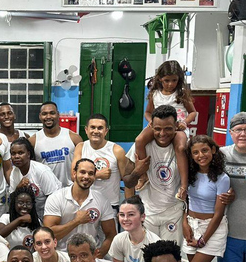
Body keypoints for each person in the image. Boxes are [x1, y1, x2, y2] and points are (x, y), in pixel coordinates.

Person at [123, 105, 185, 245]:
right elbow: (127, 181)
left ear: (176, 126)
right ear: (151, 126)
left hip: (174, 211)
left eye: (168, 128)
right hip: (148, 212)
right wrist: (138, 172)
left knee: (171, 257)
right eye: (157, 129)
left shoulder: (182, 146)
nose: (162, 133)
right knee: (147, 259)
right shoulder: (141, 146)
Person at [132, 61, 195, 199]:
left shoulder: (181, 94)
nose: (170, 84)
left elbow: (193, 113)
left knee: (181, 147)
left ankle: (184, 185)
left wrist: (185, 122)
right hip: (159, 126)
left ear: (179, 79)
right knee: (139, 140)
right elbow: (148, 112)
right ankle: (143, 176)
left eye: (174, 80)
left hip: (177, 127)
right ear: (159, 79)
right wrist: (151, 122)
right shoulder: (155, 94)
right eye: (166, 80)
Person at [43, 158, 116, 256]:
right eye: (82, 172)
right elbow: (48, 235)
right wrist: (76, 221)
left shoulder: (102, 200)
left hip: (91, 255)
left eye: (90, 174)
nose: (86, 176)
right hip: (63, 255)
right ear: (74, 174)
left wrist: (100, 254)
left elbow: (111, 235)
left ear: (94, 177)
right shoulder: (56, 198)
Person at [183, 135, 230, 262]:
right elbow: (184, 202)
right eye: (195, 152)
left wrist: (203, 239)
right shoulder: (189, 174)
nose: (201, 155)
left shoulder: (222, 178)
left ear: (213, 150)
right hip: (191, 225)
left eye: (205, 150)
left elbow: (219, 214)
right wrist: (184, 224)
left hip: (212, 228)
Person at [73, 113, 127, 210]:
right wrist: (97, 175)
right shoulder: (80, 147)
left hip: (110, 204)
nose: (96, 131)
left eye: (100, 128)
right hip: (84, 204)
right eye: (92, 127)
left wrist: (128, 207)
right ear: (86, 130)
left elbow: (128, 180)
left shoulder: (117, 150)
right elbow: (73, 176)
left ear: (106, 131)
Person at [110, 196, 161, 262]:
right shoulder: (119, 239)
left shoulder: (154, 243)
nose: (125, 219)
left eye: (131, 214)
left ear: (142, 217)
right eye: (122, 215)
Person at [30, 101, 83, 187]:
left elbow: (83, 165)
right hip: (45, 191)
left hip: (70, 189)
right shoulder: (33, 141)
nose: (48, 117)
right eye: (44, 114)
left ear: (58, 115)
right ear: (40, 116)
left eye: (52, 113)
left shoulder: (74, 138)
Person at [9, 137, 62, 218]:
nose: (16, 156)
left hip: (51, 212)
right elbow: (12, 200)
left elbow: (53, 200)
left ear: (28, 154)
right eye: (13, 153)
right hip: (32, 214)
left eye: (20, 153)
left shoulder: (42, 171)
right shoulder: (14, 172)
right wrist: (18, 187)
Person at [0, 185, 41, 250]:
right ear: (14, 204)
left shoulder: (36, 221)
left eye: (28, 203)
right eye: (20, 202)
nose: (24, 206)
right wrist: (20, 220)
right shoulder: (6, 218)